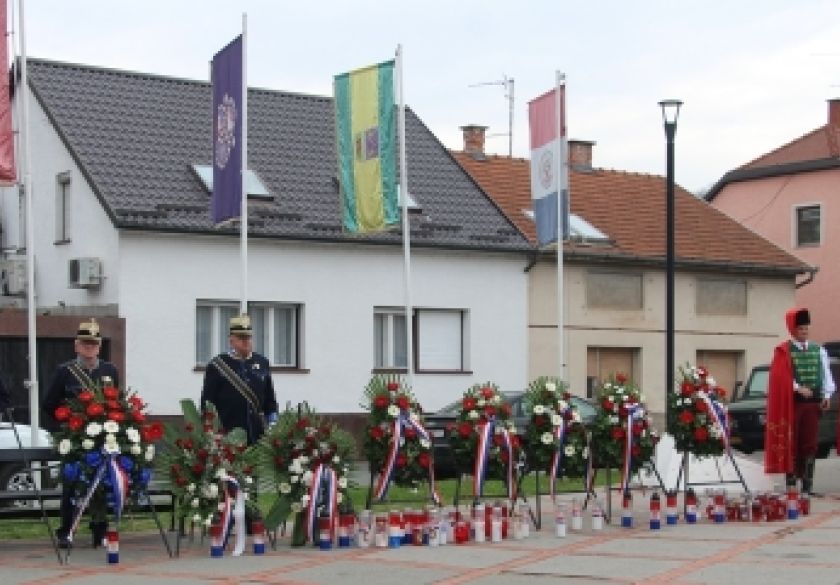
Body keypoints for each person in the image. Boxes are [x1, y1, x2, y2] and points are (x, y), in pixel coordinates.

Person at [43, 318, 119, 548]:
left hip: (101, 438)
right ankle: (66, 531)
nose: (90, 348)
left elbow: (115, 402)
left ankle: (99, 531)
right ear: (76, 346)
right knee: (72, 484)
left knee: (101, 485)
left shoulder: (109, 370)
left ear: (99, 347)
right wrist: (66, 424)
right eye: (85, 344)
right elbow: (48, 404)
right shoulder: (65, 372)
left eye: (94, 344)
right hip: (74, 439)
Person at [765, 308, 836, 496]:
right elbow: (780, 377)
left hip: (813, 404)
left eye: (806, 329)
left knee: (810, 443)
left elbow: (826, 374)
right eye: (801, 329)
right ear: (793, 330)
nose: (804, 332)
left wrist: (827, 395)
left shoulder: (818, 350)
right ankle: (791, 485)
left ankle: (807, 486)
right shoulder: (784, 351)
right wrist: (797, 387)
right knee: (792, 441)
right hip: (793, 403)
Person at [200, 314, 279, 445]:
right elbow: (207, 404)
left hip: (257, 437)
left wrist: (273, 426)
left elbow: (270, 401)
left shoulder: (262, 363)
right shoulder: (217, 366)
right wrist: (212, 434)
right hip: (228, 437)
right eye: (241, 337)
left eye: (248, 337)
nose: (246, 341)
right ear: (231, 340)